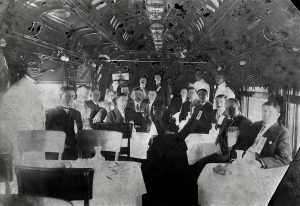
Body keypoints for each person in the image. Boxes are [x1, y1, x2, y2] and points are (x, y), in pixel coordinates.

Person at [190, 98, 252, 178]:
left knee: (203, 162)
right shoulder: (226, 118)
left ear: (238, 107)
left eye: (232, 108)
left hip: (230, 155)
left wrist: (228, 155)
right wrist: (218, 143)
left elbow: (244, 145)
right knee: (198, 162)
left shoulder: (246, 122)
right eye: (226, 108)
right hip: (222, 149)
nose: (228, 111)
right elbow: (219, 135)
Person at [0, 55, 46, 159]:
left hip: (35, 140)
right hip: (22, 142)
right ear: (24, 67)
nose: (35, 68)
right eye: (31, 64)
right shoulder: (17, 89)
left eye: (37, 65)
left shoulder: (34, 87)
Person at [242, 100, 292, 168]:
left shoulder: (283, 133)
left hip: (259, 166)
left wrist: (260, 162)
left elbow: (285, 158)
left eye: (270, 112)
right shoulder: (256, 125)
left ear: (277, 115)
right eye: (264, 111)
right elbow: (243, 143)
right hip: (243, 160)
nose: (266, 114)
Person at [45, 86, 83, 160]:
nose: (71, 98)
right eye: (67, 96)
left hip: (73, 151)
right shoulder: (50, 112)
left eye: (73, 96)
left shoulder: (77, 113)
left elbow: (80, 132)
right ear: (60, 96)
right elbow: (47, 133)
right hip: (55, 151)